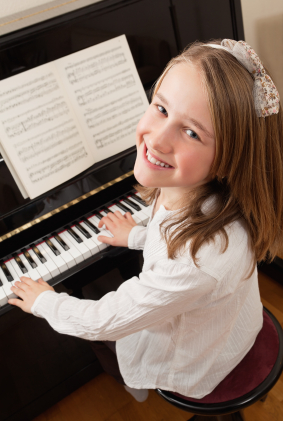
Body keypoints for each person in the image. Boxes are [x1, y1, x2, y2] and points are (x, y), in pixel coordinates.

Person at [8, 39, 283, 401]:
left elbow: (101, 320)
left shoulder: (196, 261)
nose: (157, 139)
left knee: (107, 339)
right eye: (161, 109)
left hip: (199, 358)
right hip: (230, 321)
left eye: (192, 132)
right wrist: (138, 235)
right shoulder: (209, 192)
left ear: (230, 158)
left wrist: (46, 302)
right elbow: (171, 232)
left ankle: (128, 383)